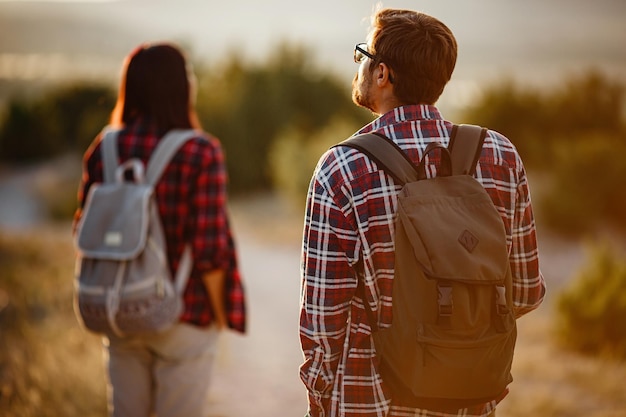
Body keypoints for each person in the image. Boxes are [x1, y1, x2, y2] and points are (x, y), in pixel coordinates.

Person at [299, 8, 546, 417]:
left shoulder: (341, 168)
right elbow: (524, 292)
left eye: (363, 55)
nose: (358, 64)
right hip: (469, 397)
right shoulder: (501, 156)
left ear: (383, 75)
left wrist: (320, 397)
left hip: (370, 398)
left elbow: (324, 317)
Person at [74, 42, 246, 417]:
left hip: (119, 310)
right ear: (181, 88)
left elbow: (82, 229)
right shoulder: (201, 151)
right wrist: (219, 317)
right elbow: (210, 250)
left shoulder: (105, 147)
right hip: (183, 313)